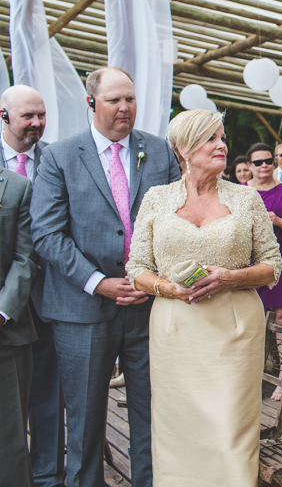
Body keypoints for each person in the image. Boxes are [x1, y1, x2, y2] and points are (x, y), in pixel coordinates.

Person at [31, 67, 180, 487]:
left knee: (153, 415)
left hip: (148, 307)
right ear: (91, 103)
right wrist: (98, 282)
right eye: (115, 100)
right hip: (82, 309)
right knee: (84, 419)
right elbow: (46, 233)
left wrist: (151, 278)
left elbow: (176, 222)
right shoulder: (60, 156)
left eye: (130, 98)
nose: (125, 107)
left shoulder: (159, 151)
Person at [125, 110, 282, 487]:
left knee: (231, 430)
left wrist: (230, 278)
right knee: (177, 429)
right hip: (175, 331)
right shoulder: (157, 199)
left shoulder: (246, 199)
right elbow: (136, 267)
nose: (221, 145)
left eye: (222, 137)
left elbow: (272, 265)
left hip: (234, 330)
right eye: (210, 138)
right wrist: (168, 288)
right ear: (183, 148)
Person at [1, 85, 65, 487]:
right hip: (7, 302)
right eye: (28, 116)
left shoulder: (57, 159)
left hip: (48, 298)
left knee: (47, 396)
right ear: (4, 116)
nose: (37, 123)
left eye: (42, 115)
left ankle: (47, 476)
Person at [247, 142, 282, 400]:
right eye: (258, 162)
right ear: (249, 166)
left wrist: (279, 221)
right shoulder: (241, 191)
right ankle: (251, 378)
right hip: (251, 262)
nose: (264, 166)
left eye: (268, 161)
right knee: (251, 317)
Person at [0, 165, 40, 487]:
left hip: (6, 334)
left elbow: (25, 257)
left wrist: (2, 312)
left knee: (9, 442)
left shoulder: (17, 186)